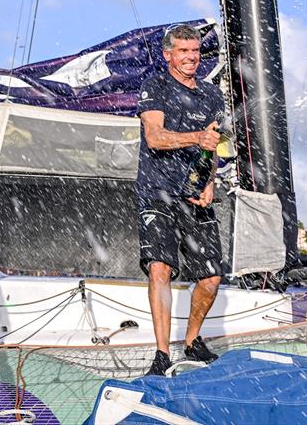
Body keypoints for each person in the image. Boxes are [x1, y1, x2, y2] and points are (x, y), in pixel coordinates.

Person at [136, 24, 224, 376]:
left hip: (194, 193)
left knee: (211, 277)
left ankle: (191, 341)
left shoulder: (211, 95)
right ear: (168, 54)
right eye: (184, 51)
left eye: (195, 51)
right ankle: (161, 354)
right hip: (157, 189)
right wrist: (196, 138)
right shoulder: (154, 86)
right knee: (162, 267)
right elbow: (155, 138)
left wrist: (211, 182)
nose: (191, 58)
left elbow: (212, 145)